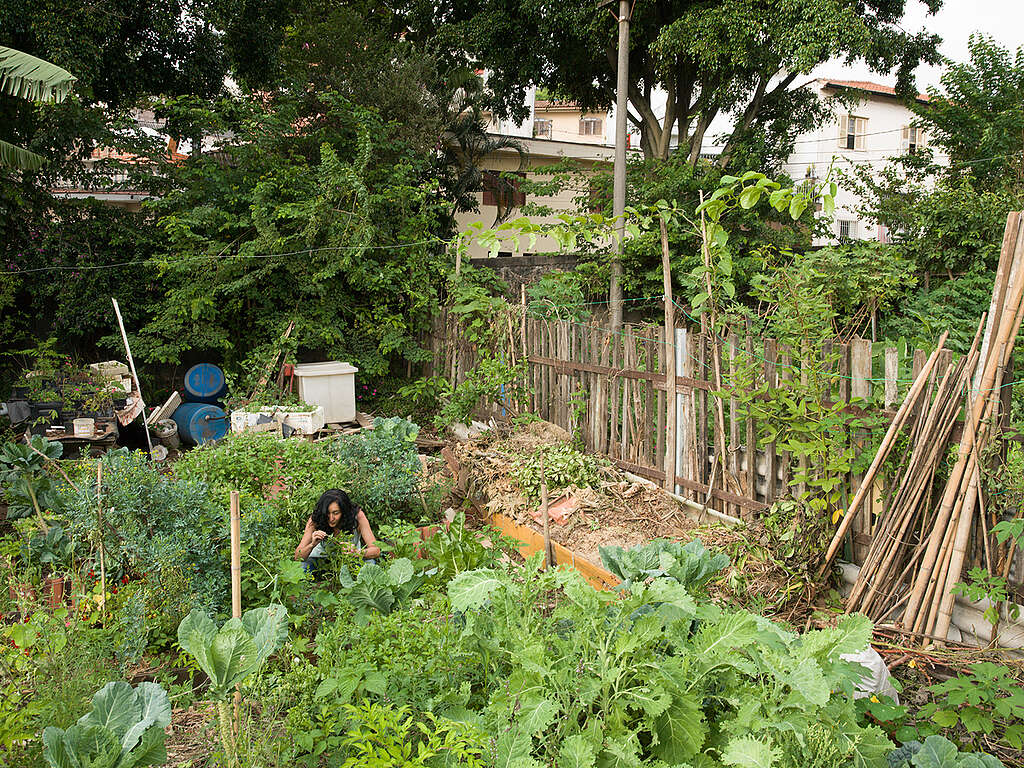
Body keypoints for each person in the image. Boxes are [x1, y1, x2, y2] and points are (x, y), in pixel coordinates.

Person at [294, 489, 380, 569]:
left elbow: (376, 550)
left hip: (349, 559)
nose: (331, 518)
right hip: (320, 559)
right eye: (327, 513)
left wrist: (356, 553)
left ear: (344, 511)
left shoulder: (358, 516)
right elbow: (297, 557)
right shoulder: (316, 518)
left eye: (336, 513)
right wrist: (312, 545)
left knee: (370, 564)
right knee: (301, 567)